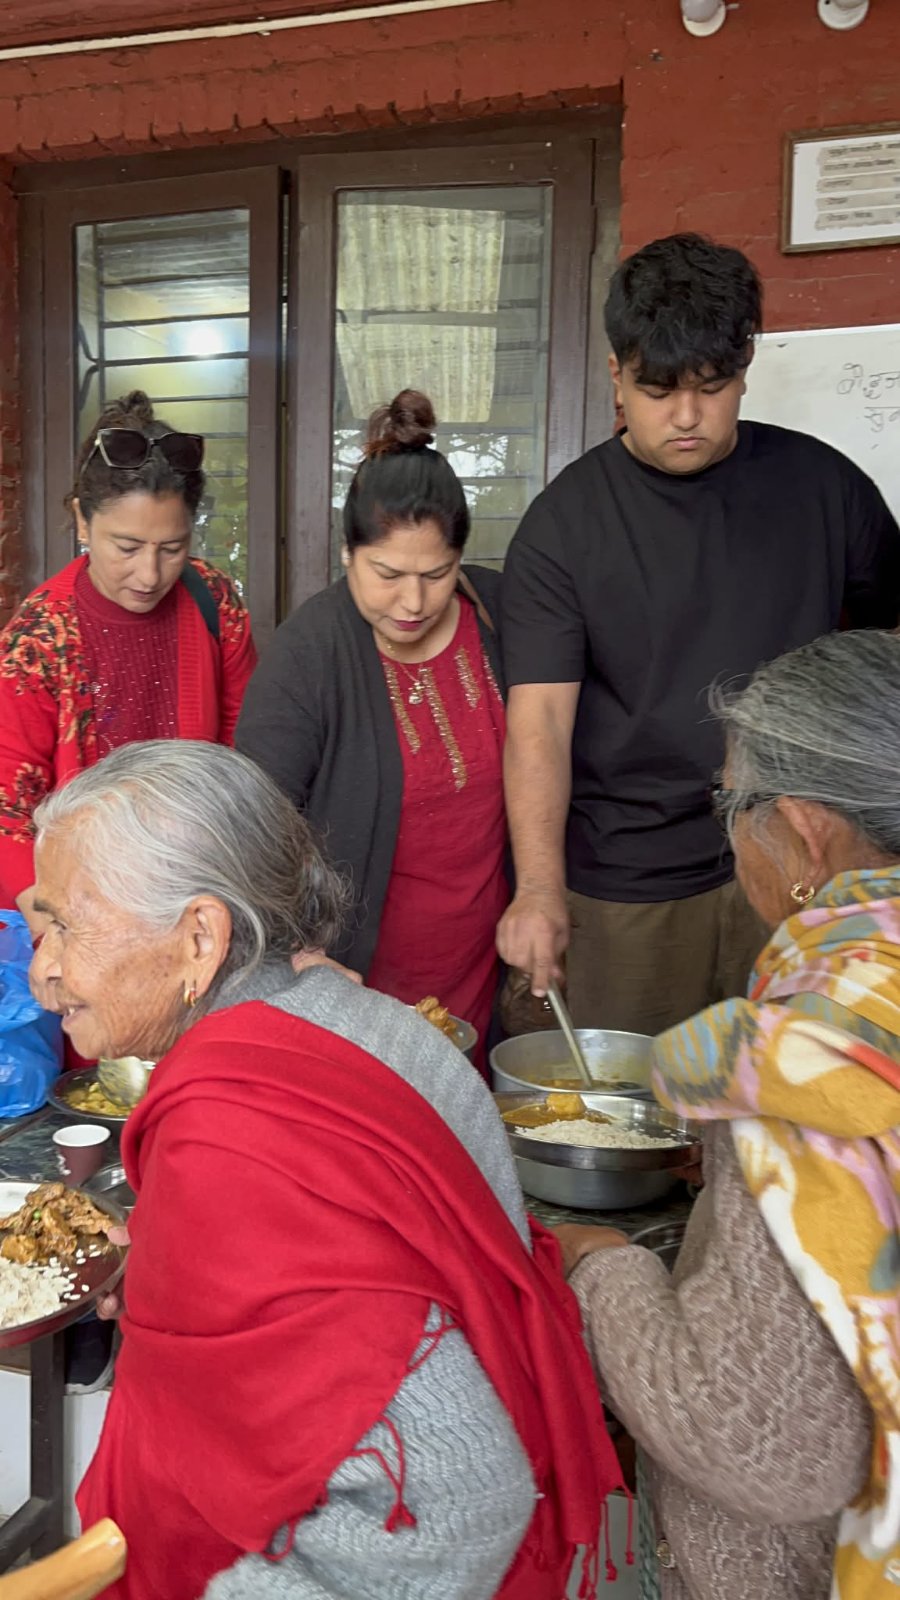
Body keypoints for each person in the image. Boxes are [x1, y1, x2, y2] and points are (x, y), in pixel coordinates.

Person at [29, 739, 622, 1600]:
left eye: (67, 927)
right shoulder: (363, 1018)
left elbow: (458, 1494)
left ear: (201, 936)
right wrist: (173, 1264)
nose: (44, 969)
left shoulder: (228, 1133)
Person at [554, 628, 900, 1600]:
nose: (728, 830)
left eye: (730, 806)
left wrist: (603, 1270)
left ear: (805, 834)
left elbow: (759, 1439)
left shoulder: (800, 1069)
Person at [497, 232, 900, 1036]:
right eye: (656, 389)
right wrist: (539, 888)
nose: (686, 416)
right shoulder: (562, 528)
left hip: (805, 865)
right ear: (616, 373)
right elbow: (539, 721)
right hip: (628, 881)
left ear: (745, 365)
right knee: (636, 1119)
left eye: (712, 387)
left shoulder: (827, 490)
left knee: (805, 1103)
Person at [237, 390, 507, 1066]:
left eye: (437, 574)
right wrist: (299, 954)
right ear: (348, 551)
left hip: (478, 966)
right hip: (353, 977)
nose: (412, 601)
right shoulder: (310, 653)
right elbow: (252, 825)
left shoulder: (500, 620)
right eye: (387, 574)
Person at [0, 389, 257, 912]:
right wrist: (55, 916)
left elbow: (246, 753)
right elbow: (8, 804)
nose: (149, 574)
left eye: (172, 548)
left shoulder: (214, 602)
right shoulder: (40, 636)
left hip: (195, 882)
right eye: (127, 547)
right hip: (74, 893)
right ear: (81, 520)